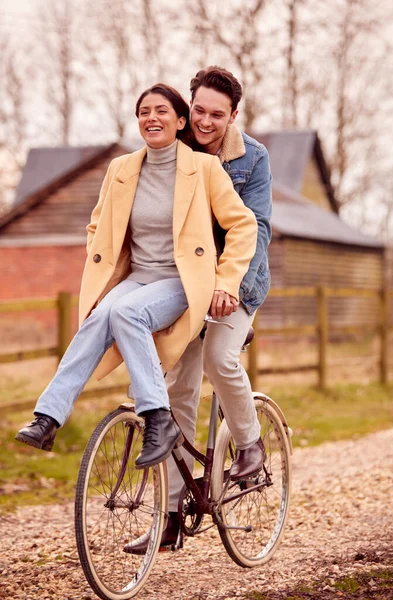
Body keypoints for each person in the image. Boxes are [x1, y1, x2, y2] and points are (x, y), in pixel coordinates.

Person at [15, 83, 257, 470]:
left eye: (162, 111)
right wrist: (102, 268)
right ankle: (49, 417)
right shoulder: (121, 169)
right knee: (98, 319)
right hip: (138, 277)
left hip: (184, 280)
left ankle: (157, 416)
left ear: (181, 122)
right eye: (144, 111)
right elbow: (98, 226)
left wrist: (227, 282)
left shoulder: (205, 168)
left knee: (127, 314)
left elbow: (244, 226)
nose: (151, 118)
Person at [124, 67, 272, 553]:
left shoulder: (253, 158)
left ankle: (249, 444)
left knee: (218, 359)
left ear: (233, 116)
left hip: (236, 283)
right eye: (200, 111)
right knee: (175, 393)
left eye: (217, 114)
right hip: (184, 285)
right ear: (190, 107)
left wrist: (231, 287)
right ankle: (166, 519)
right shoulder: (173, 148)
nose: (205, 122)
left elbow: (257, 229)